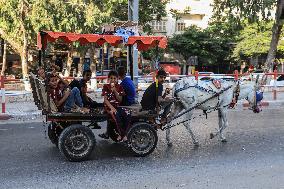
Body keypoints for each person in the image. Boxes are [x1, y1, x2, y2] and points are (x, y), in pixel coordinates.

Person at [99, 71, 130, 141]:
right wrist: (111, 108)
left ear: (117, 79)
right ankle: (123, 135)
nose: (113, 80)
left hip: (117, 106)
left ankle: (122, 133)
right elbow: (106, 100)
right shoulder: (106, 86)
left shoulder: (120, 87)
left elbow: (120, 100)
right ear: (108, 79)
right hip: (108, 107)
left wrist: (115, 91)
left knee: (127, 113)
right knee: (115, 115)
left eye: (114, 78)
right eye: (111, 78)